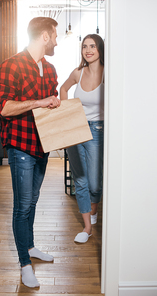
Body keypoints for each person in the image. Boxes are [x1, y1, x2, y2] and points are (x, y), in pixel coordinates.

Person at [0, 17, 60, 288]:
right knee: (22, 207)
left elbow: (51, 106)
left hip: (41, 145)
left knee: (32, 201)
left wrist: (56, 106)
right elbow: (4, 107)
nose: (57, 40)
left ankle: (30, 247)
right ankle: (24, 265)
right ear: (44, 36)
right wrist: (39, 102)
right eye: (55, 35)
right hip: (20, 146)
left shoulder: (51, 68)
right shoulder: (12, 65)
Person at [60, 34, 104, 243]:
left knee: (95, 183)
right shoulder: (78, 72)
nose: (88, 50)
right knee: (81, 179)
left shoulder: (108, 74)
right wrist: (66, 114)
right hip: (75, 128)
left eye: (92, 46)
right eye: (85, 46)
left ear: (100, 49)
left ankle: (93, 208)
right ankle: (87, 228)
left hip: (98, 130)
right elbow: (63, 88)